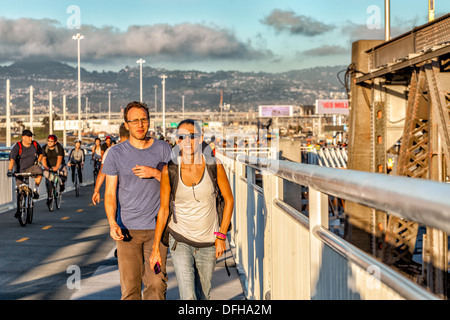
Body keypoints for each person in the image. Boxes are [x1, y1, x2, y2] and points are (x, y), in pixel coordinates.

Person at [149, 119, 234, 300]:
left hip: (209, 241)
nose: (187, 141)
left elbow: (229, 200)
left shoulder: (214, 165)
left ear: (201, 138)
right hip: (180, 239)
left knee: (203, 296)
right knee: (188, 297)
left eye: (193, 136)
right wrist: (155, 248)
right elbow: (163, 210)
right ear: (177, 141)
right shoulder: (169, 170)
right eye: (182, 137)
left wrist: (221, 236)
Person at [102, 101, 172, 300]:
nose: (140, 125)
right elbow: (110, 193)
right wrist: (112, 222)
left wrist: (157, 174)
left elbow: (176, 184)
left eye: (144, 120)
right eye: (135, 121)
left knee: (157, 286)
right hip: (127, 232)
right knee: (130, 291)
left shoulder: (164, 149)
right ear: (127, 124)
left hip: (156, 231)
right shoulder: (116, 153)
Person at [7, 130, 44, 216]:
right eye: (29, 137)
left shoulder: (34, 144)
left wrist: (38, 161)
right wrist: (9, 170)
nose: (31, 139)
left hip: (31, 168)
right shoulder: (17, 147)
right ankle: (19, 209)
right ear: (23, 137)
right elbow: (12, 159)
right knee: (20, 191)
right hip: (20, 171)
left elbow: (41, 153)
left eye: (31, 137)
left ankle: (35, 190)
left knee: (39, 171)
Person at [92, 123, 129, 206]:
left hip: (118, 186)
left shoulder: (111, 151)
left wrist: (96, 190)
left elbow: (102, 171)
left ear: (119, 135)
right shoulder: (138, 149)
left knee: (119, 209)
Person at [42, 134, 67, 203]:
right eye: (48, 141)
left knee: (64, 173)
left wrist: (57, 167)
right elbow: (43, 158)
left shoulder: (59, 147)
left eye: (51, 141)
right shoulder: (44, 148)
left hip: (59, 164)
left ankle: (62, 183)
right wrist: (46, 167)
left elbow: (59, 158)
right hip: (49, 166)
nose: (49, 143)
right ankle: (49, 196)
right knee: (47, 177)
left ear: (55, 142)